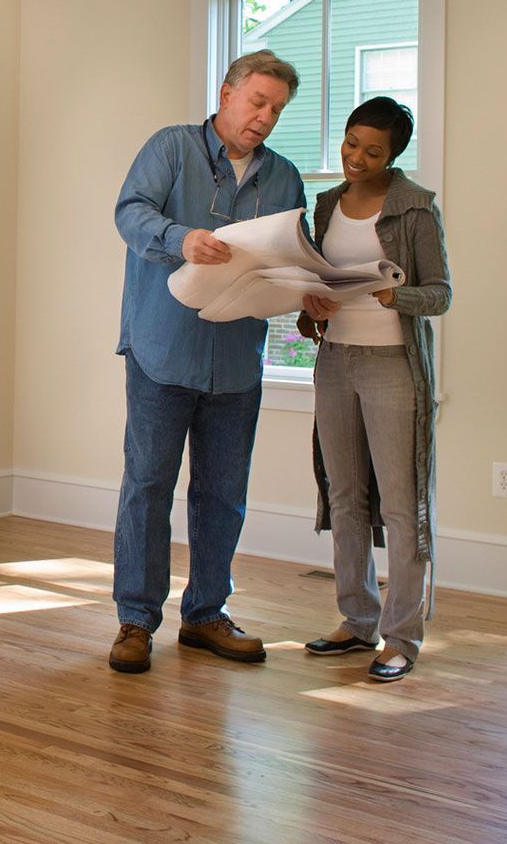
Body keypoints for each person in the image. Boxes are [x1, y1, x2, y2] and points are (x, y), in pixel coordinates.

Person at [108, 49, 306, 674]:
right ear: (227, 94)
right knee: (148, 487)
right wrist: (182, 238)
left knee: (223, 494)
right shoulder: (171, 148)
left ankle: (205, 614)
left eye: (276, 109)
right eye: (257, 102)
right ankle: (136, 620)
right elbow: (130, 212)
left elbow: (294, 256)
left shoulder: (284, 178)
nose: (265, 117)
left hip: (237, 361)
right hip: (162, 352)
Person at [297, 96, 452, 682]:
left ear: (393, 156)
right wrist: (311, 308)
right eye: (351, 142)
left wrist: (395, 296)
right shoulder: (327, 205)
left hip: (393, 366)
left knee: (401, 503)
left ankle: (402, 637)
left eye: (373, 151)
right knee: (344, 497)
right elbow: (318, 282)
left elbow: (440, 293)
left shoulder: (416, 208)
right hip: (336, 361)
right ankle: (357, 620)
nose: (356, 158)